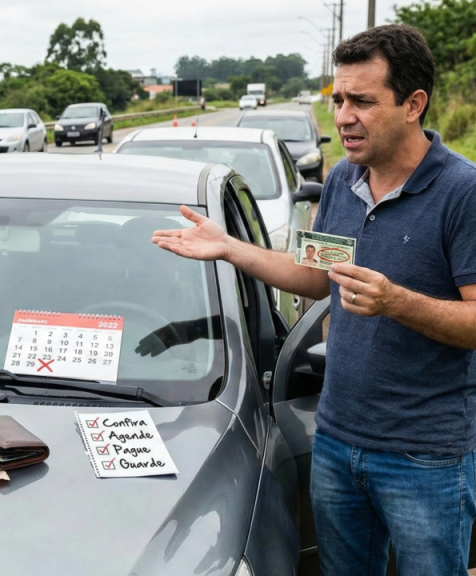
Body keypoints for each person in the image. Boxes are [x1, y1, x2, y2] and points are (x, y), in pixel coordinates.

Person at [151, 24, 476, 576]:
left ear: (413, 104)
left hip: (427, 456)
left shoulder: (462, 192)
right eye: (339, 100)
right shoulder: (344, 180)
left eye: (363, 102)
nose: (344, 116)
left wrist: (396, 301)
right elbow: (310, 275)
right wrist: (230, 247)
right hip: (335, 441)